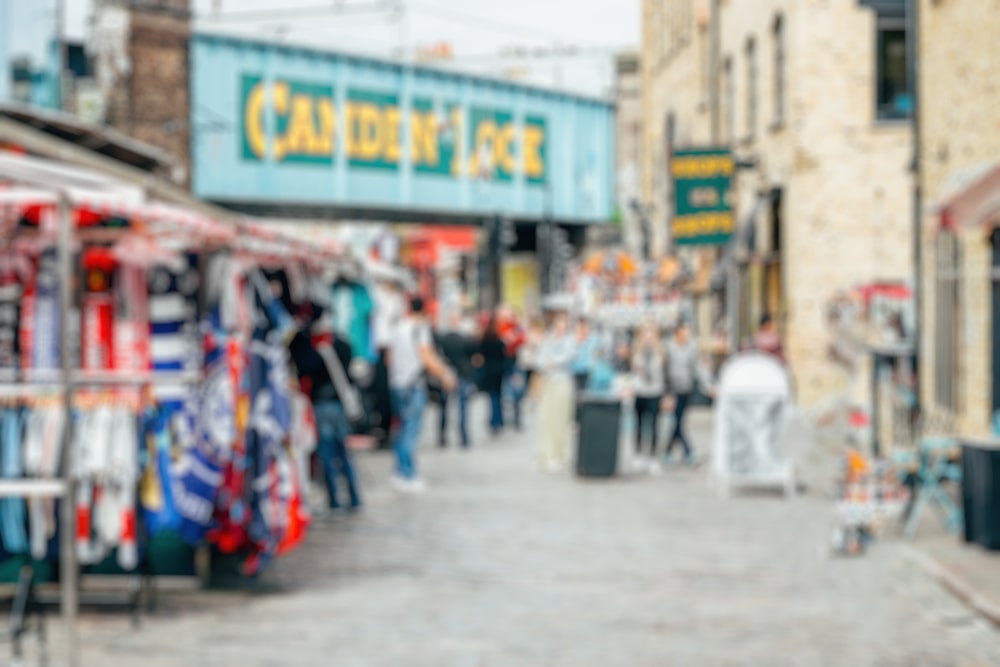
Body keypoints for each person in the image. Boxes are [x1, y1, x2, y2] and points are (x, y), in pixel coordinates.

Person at [287, 308, 361, 511]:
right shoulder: (342, 345)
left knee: (327, 453)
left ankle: (335, 499)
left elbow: (304, 367)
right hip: (338, 404)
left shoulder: (317, 349)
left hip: (323, 404)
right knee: (343, 453)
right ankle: (354, 497)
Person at [388, 297, 456, 492]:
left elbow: (389, 357)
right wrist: (445, 373)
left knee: (401, 429)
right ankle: (409, 474)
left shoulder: (398, 327)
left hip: (397, 383)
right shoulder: (420, 328)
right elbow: (426, 357)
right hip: (413, 383)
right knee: (412, 429)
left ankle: (399, 471)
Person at [664, 321, 712, 466]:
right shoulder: (668, 347)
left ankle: (668, 450)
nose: (688, 333)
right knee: (678, 421)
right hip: (673, 390)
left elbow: (697, 369)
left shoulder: (691, 348)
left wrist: (708, 386)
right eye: (685, 330)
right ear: (677, 332)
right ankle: (688, 451)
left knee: (678, 421)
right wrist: (666, 392)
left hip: (686, 389)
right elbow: (664, 369)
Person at [536, 310, 577, 472]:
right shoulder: (547, 340)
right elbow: (540, 360)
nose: (562, 325)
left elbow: (568, 357)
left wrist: (552, 362)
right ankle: (547, 453)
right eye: (559, 321)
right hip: (549, 382)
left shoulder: (569, 341)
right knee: (547, 418)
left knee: (562, 419)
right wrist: (549, 363)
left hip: (562, 382)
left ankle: (561, 454)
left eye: (564, 322)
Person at [435, 310, 477, 449]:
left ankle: (442, 436)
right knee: (463, 407)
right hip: (462, 374)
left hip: (447, 373)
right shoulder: (466, 339)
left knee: (444, 407)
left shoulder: (442, 338)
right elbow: (473, 356)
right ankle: (464, 437)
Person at [631, 324, 666, 474]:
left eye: (651, 334)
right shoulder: (636, 351)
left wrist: (667, 394)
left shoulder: (661, 352)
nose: (648, 337)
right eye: (646, 333)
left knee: (654, 425)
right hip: (640, 391)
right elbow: (631, 370)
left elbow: (665, 373)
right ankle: (638, 455)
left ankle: (653, 457)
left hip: (655, 391)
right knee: (638, 424)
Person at [479, 317, 509, 437]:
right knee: (498, 396)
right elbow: (504, 357)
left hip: (489, 372)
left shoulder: (484, 342)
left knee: (492, 397)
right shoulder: (500, 342)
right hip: (499, 372)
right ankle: (498, 420)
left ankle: (494, 420)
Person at [571, 318, 601, 392]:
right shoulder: (572, 341)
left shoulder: (594, 340)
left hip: (589, 373)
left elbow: (597, 357)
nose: (582, 330)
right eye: (580, 328)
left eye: (584, 328)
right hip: (574, 373)